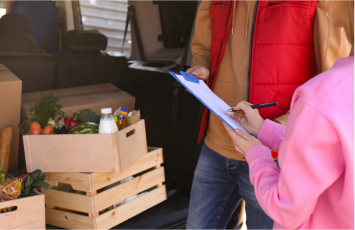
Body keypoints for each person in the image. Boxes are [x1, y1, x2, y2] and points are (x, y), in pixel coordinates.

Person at [185, 0, 352, 229]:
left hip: (275, 154)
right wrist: (201, 65)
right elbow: (203, 43)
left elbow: (330, 80)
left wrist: (278, 129)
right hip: (216, 144)